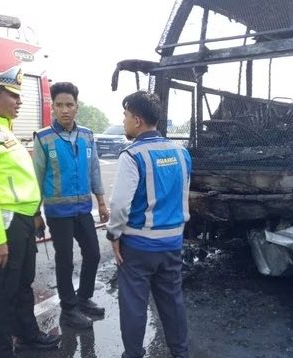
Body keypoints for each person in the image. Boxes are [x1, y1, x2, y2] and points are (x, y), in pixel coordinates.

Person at [0, 65, 60, 358]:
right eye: (13, 96)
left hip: (22, 222)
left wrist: (34, 214)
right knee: (2, 293)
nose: (19, 102)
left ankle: (28, 336)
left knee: (22, 285)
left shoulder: (6, 132)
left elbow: (20, 183)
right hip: (3, 225)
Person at [106, 90, 192, 358]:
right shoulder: (181, 154)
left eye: (126, 115)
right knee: (172, 301)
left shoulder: (132, 156)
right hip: (172, 242)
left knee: (134, 305)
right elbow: (183, 197)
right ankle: (180, 353)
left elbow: (120, 204)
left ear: (138, 120)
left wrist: (114, 235)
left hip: (139, 245)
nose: (124, 121)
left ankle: (133, 354)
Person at [33, 82, 109, 329]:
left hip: (83, 209)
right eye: (59, 105)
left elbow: (95, 168)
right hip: (58, 213)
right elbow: (36, 177)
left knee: (93, 254)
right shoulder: (44, 138)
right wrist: (35, 212)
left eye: (69, 105)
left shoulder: (87, 135)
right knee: (64, 260)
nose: (64, 110)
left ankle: (84, 298)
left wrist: (101, 200)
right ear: (52, 107)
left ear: (77, 107)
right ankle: (68, 309)